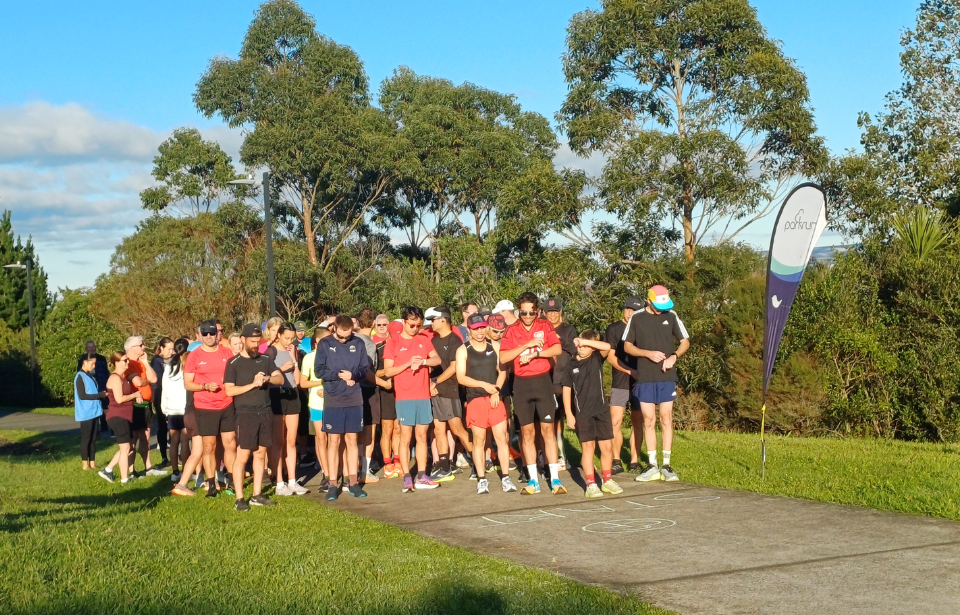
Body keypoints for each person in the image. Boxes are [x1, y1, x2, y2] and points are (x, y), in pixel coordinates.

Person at [499, 292, 566, 495]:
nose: (527, 316)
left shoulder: (544, 326)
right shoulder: (511, 330)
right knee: (527, 433)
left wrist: (537, 353)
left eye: (531, 312)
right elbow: (503, 358)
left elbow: (557, 349)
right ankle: (533, 480)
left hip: (543, 383)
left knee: (548, 431)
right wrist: (525, 346)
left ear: (537, 311)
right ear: (518, 311)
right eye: (523, 312)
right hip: (521, 385)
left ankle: (554, 478)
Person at [623, 285, 690, 482]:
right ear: (649, 301)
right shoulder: (637, 318)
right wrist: (647, 353)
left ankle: (667, 465)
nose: (662, 309)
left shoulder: (671, 315)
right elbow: (627, 345)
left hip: (667, 377)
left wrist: (674, 357)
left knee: (666, 418)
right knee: (648, 420)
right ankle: (652, 465)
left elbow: (685, 341)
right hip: (645, 376)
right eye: (658, 305)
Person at [456, 314, 518, 495]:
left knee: (502, 438)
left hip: (495, 398)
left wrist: (496, 390)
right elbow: (461, 377)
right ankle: (482, 479)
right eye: (476, 329)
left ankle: (506, 477)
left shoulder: (495, 346)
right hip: (476, 399)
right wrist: (484, 386)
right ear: (469, 330)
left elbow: (502, 371)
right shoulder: (463, 350)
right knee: (479, 441)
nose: (480, 332)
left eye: (482, 328)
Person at [224, 323, 283, 511]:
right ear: (243, 340)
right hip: (245, 414)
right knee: (242, 455)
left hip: (265, 411)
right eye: (252, 341)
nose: (256, 345)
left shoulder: (265, 359)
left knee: (260, 454)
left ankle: (257, 494)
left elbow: (280, 378)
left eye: (258, 341)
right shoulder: (233, 363)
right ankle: (240, 498)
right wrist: (252, 384)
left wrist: (266, 379)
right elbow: (229, 390)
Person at [314, 315, 373, 500]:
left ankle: (353, 483)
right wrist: (339, 375)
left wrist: (353, 375)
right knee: (333, 442)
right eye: (341, 336)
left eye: (347, 336)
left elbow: (365, 369)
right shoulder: (324, 344)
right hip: (333, 399)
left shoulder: (359, 344)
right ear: (334, 329)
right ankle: (332, 484)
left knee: (352, 440)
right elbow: (319, 371)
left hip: (354, 399)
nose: (344, 339)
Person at [383, 306, 442, 492]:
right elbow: (388, 371)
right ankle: (407, 476)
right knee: (405, 438)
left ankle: (422, 475)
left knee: (422, 436)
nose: (415, 328)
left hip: (422, 395)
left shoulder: (424, 340)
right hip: (404, 397)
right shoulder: (393, 343)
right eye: (411, 325)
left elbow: (437, 360)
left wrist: (423, 361)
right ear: (403, 322)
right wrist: (408, 364)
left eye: (418, 325)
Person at [562, 330, 627, 497]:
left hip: (602, 410)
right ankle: (591, 484)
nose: (581, 348)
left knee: (606, 447)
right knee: (588, 448)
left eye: (586, 346)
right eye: (580, 345)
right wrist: (569, 413)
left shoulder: (596, 358)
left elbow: (607, 346)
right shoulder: (571, 365)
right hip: (583, 413)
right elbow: (566, 390)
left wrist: (588, 343)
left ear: (592, 348)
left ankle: (607, 480)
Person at [181, 320, 237, 497]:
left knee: (230, 444)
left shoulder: (227, 353)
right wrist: (204, 386)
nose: (208, 337)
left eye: (211, 333)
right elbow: (188, 384)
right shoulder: (194, 356)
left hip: (227, 404)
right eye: (204, 334)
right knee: (209, 446)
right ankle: (211, 484)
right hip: (205, 406)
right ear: (200, 335)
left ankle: (232, 481)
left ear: (217, 334)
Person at [428, 307, 474, 482]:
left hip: (450, 391)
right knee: (439, 429)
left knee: (457, 430)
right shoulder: (433, 340)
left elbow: (455, 367)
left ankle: (478, 462)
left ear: (443, 320)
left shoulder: (455, 341)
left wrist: (437, 381)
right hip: (435, 391)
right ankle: (444, 466)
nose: (431, 323)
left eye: (434, 319)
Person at [265, 322, 307, 496]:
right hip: (276, 395)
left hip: (292, 395)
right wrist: (281, 370)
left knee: (291, 440)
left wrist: (295, 361)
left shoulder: (292, 350)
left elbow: (296, 380)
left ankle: (292, 480)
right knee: (278, 441)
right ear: (279, 335)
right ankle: (279, 481)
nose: (289, 341)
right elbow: (267, 378)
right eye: (286, 337)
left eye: (292, 338)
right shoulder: (270, 351)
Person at [604, 296, 643, 473]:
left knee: (637, 420)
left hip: (640, 382)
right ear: (624, 309)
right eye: (628, 309)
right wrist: (629, 371)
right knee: (615, 421)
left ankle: (634, 461)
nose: (630, 313)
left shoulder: (642, 328)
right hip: (620, 380)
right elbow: (610, 357)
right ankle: (616, 460)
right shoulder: (613, 328)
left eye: (634, 311)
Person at [98, 352, 142, 484]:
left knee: (126, 447)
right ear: (116, 363)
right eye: (124, 361)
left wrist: (136, 398)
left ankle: (108, 469)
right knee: (126, 448)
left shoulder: (122, 378)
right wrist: (135, 394)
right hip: (118, 416)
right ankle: (124, 478)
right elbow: (119, 399)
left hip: (124, 416)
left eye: (127, 360)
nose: (127, 363)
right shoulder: (115, 378)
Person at [544, 297, 577, 470]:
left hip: (568, 382)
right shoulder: (540, 330)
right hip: (548, 381)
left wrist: (559, 339)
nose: (553, 315)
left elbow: (576, 350)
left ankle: (587, 456)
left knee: (576, 419)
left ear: (560, 312)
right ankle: (558, 457)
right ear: (544, 313)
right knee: (554, 421)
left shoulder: (569, 329)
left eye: (556, 311)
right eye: (549, 312)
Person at [124, 336, 165, 477]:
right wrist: (145, 381)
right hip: (135, 405)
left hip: (146, 404)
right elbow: (139, 382)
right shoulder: (127, 363)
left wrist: (146, 363)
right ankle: (131, 470)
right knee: (133, 438)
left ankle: (148, 467)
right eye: (141, 345)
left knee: (145, 436)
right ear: (132, 348)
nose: (144, 347)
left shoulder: (141, 363)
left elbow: (154, 379)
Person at [300, 327, 331, 488]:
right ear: (318, 342)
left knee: (334, 439)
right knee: (321, 438)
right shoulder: (309, 358)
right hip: (316, 405)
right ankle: (326, 473)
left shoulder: (335, 356)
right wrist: (319, 384)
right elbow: (303, 383)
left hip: (333, 404)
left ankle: (334, 471)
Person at [354, 308, 381, 484]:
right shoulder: (369, 344)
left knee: (355, 430)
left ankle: (354, 466)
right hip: (368, 389)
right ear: (372, 324)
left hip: (351, 390)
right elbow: (367, 371)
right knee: (369, 430)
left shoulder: (351, 340)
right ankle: (365, 470)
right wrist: (382, 381)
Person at [162, 338, 190, 483]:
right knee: (185, 441)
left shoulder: (168, 368)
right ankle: (186, 470)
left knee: (174, 441)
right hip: (184, 408)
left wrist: (165, 409)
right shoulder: (187, 366)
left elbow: (164, 390)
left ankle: (175, 471)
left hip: (172, 409)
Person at [377, 322, 401, 479]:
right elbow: (372, 373)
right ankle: (387, 463)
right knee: (387, 429)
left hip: (402, 393)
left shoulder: (407, 347)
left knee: (398, 428)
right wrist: (388, 373)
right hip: (386, 393)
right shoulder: (379, 349)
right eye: (396, 333)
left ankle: (398, 460)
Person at [75, 353, 107, 470]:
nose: (94, 366)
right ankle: (85, 464)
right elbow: (82, 395)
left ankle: (92, 463)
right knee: (86, 439)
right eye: (92, 364)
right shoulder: (80, 376)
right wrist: (100, 395)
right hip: (86, 413)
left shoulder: (89, 376)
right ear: (85, 362)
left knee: (93, 438)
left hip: (94, 412)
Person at [151, 338, 174, 468]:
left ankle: (173, 455)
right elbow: (158, 380)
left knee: (173, 426)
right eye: (168, 349)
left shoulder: (174, 358)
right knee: (163, 425)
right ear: (161, 348)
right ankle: (164, 456)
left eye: (172, 349)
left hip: (173, 396)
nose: (171, 352)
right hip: (160, 396)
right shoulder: (157, 361)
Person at [81, 341, 110, 435]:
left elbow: (106, 372)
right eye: (89, 347)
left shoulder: (101, 358)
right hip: (91, 387)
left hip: (102, 384)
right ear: (86, 349)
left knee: (106, 408)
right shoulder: (82, 359)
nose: (92, 349)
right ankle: (96, 430)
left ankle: (109, 428)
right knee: (95, 408)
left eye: (93, 347)